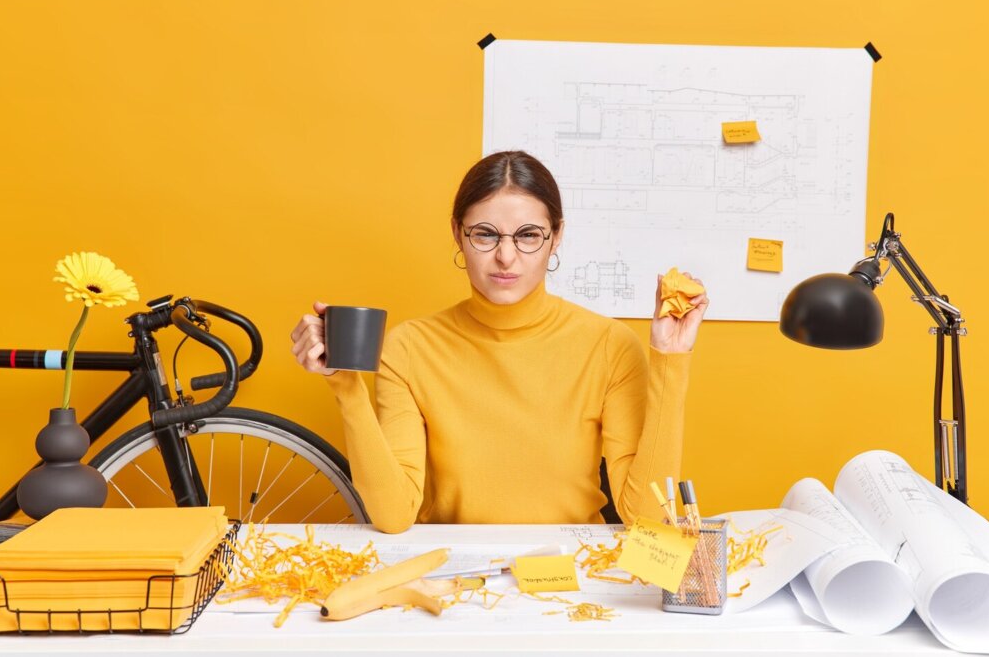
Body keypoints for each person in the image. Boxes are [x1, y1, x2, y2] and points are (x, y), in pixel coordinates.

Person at [290, 151, 708, 534]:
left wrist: (671, 361)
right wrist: (344, 384)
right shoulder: (409, 348)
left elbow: (647, 518)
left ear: (556, 236)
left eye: (528, 235)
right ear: (458, 233)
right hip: (454, 574)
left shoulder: (609, 345)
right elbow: (394, 515)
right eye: (486, 235)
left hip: (574, 570)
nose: (506, 257)